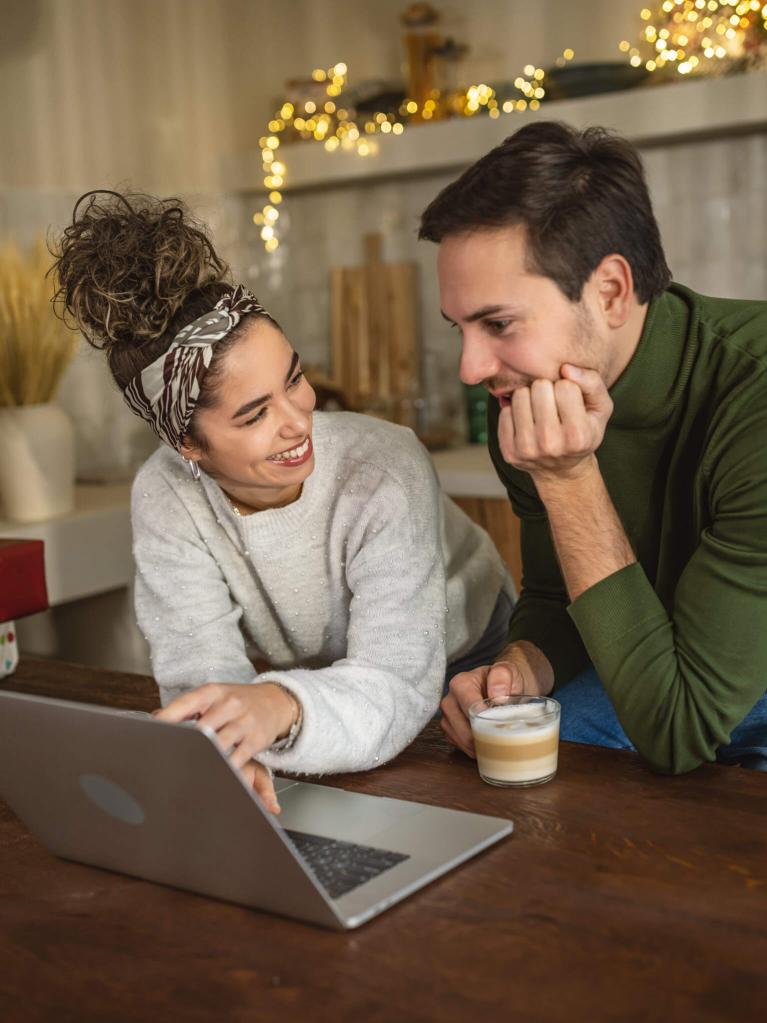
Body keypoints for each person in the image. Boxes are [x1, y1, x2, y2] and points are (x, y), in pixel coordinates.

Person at [53, 191, 515, 811]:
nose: (299, 421)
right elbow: (203, 672)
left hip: (464, 665)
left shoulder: (384, 466)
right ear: (187, 442)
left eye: (294, 378)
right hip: (316, 691)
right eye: (254, 414)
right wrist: (228, 745)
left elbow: (397, 680)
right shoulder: (164, 495)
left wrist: (277, 707)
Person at [419, 120, 767, 775]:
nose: (470, 366)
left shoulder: (753, 394)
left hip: (724, 688)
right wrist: (521, 665)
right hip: (657, 672)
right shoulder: (527, 400)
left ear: (609, 291)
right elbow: (555, 595)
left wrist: (568, 478)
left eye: (497, 323)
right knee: (500, 768)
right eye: (459, 328)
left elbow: (679, 728)